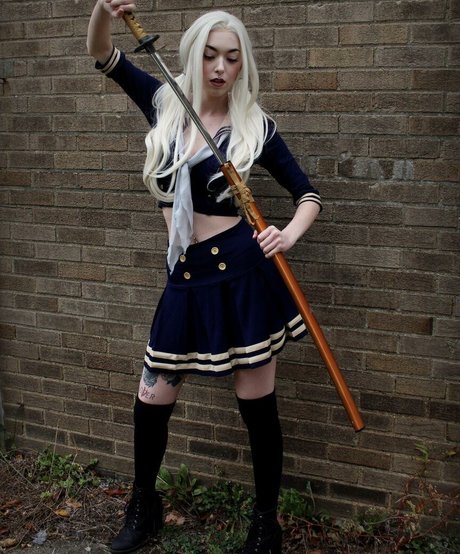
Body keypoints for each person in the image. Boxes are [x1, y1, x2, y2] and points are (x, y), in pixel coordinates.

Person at [87, 1, 322, 552]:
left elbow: (307, 194)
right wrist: (102, 8)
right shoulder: (163, 102)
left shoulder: (255, 126)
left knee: (257, 407)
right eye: (211, 55)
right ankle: (144, 506)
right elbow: (101, 51)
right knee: (151, 400)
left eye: (232, 58)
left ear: (243, 64)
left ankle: (266, 525)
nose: (220, 68)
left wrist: (287, 235)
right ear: (193, 56)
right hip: (185, 277)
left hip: (242, 277)